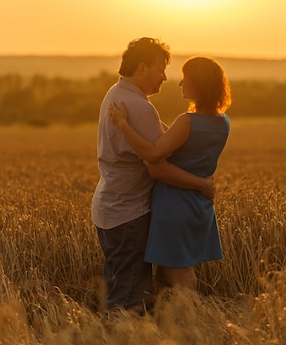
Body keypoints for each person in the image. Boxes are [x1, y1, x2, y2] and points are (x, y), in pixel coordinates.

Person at [91, 38, 215, 314]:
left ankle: (110, 340)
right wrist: (201, 183)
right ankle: (121, 343)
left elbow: (166, 137)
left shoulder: (116, 93)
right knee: (129, 299)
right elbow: (157, 163)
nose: (165, 77)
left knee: (119, 287)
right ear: (143, 67)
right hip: (129, 212)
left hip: (110, 207)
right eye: (160, 69)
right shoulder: (139, 106)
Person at [108, 56, 232, 291]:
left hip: (175, 204)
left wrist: (124, 124)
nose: (180, 83)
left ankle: (194, 322)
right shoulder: (223, 122)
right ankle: (183, 323)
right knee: (182, 270)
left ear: (199, 84)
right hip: (199, 205)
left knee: (179, 275)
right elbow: (182, 141)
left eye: (186, 79)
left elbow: (153, 154)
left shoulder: (187, 122)